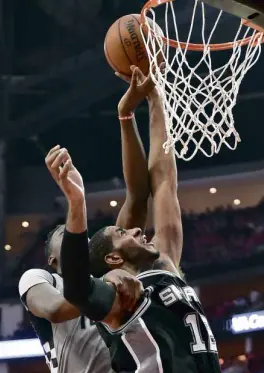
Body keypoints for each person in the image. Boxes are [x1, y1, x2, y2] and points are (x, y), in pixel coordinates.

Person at [59, 66, 222, 373]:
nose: (136, 228)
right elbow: (78, 289)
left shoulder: (165, 266)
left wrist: (154, 98)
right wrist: (77, 204)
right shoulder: (118, 295)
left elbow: (162, 181)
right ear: (112, 257)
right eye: (123, 231)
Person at [18, 145, 143, 373]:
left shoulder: (107, 272)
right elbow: (55, 310)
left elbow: (136, 199)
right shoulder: (40, 278)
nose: (78, 235)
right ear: (53, 260)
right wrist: (77, 202)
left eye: (82, 233)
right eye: (66, 234)